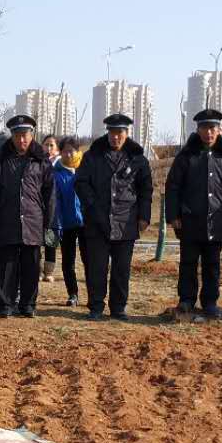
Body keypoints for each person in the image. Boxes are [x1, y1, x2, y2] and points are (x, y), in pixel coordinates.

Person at [166, 109, 222, 321]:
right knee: (188, 262)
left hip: (217, 219)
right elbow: (173, 186)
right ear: (198, 130)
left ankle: (210, 302)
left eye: (212, 128)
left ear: (219, 130)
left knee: (212, 264)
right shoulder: (186, 155)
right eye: (204, 128)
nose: (208, 132)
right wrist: (173, 215)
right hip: (190, 219)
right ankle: (186, 300)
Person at [75, 113, 153, 321]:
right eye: (112, 132)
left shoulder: (138, 159)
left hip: (126, 221)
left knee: (121, 269)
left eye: (120, 132)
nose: (115, 137)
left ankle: (118, 307)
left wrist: (144, 216)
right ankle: (96, 306)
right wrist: (92, 206)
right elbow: (80, 183)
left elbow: (146, 190)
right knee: (97, 267)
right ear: (107, 133)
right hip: (97, 221)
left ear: (127, 133)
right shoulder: (92, 156)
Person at [0, 114, 55, 318]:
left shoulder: (41, 162)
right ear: (12, 136)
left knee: (31, 266)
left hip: (33, 221)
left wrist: (48, 223)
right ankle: (5, 304)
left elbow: (50, 195)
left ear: (32, 135)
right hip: (7, 221)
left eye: (25, 135)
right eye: (17, 135)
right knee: (6, 266)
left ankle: (28, 304)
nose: (21, 140)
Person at [50, 137, 85, 306]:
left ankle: (94, 294)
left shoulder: (85, 170)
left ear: (77, 152)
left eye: (71, 151)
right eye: (65, 151)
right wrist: (57, 224)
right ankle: (73, 294)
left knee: (89, 260)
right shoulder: (56, 174)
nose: (68, 154)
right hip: (66, 224)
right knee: (68, 261)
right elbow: (55, 202)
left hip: (86, 223)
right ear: (60, 152)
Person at [40, 135, 59, 283]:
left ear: (57, 148)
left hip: (55, 207)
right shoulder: (38, 162)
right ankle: (37, 269)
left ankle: (49, 271)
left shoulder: (61, 164)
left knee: (51, 239)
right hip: (39, 206)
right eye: (46, 145)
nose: (49, 148)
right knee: (37, 240)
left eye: (52, 145)